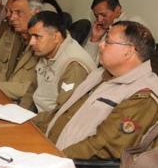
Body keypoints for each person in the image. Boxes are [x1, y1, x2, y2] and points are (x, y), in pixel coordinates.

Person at [45, 21, 158, 160]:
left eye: (108, 41)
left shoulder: (143, 95)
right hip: (49, 150)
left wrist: (53, 158)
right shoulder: (99, 74)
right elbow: (65, 113)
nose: (100, 44)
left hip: (66, 161)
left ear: (128, 51)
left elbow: (103, 148)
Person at [25, 11, 96, 129]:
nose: (31, 42)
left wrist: (28, 121)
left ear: (56, 37)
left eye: (37, 36)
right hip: (37, 119)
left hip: (52, 127)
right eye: (30, 36)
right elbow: (32, 89)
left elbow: (62, 114)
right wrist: (18, 115)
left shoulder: (74, 65)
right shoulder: (47, 50)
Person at [0, 0, 42, 108]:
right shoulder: (17, 35)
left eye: (19, 13)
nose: (12, 17)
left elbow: (32, 88)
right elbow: (4, 68)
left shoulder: (44, 42)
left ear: (35, 14)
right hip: (4, 97)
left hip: (23, 106)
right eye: (12, 12)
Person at [84, 0, 146, 65]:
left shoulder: (135, 23)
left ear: (117, 10)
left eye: (103, 15)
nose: (99, 20)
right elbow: (85, 63)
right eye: (96, 16)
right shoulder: (102, 29)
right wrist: (95, 39)